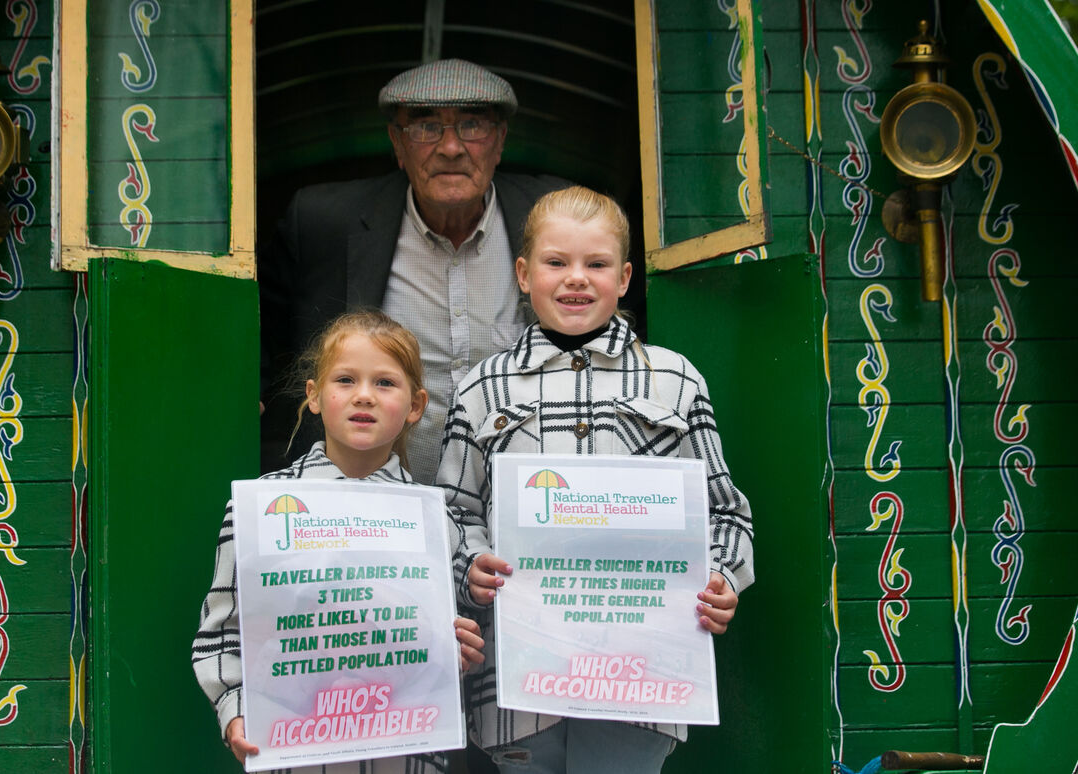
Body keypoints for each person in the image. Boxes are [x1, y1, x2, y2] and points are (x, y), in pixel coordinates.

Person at [435, 187, 755, 773]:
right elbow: (455, 514)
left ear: (626, 276)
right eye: (557, 263)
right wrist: (470, 565)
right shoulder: (483, 388)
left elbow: (726, 512)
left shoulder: (675, 381)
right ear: (524, 274)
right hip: (519, 681)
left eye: (597, 264)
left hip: (640, 679)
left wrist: (721, 579)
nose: (576, 279)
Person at [259, 58, 615, 484]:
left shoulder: (557, 215)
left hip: (529, 505)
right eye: (427, 127)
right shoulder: (323, 222)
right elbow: (267, 353)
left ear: (500, 140)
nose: (450, 147)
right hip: (373, 511)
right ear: (397, 142)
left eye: (472, 125)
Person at [193, 309, 485, 774]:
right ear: (315, 396)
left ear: (415, 405)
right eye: (345, 380)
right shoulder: (260, 512)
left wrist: (458, 647)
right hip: (297, 753)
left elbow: (453, 634)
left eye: (385, 383)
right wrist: (235, 708)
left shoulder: (437, 520)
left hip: (407, 755)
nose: (364, 396)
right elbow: (221, 634)